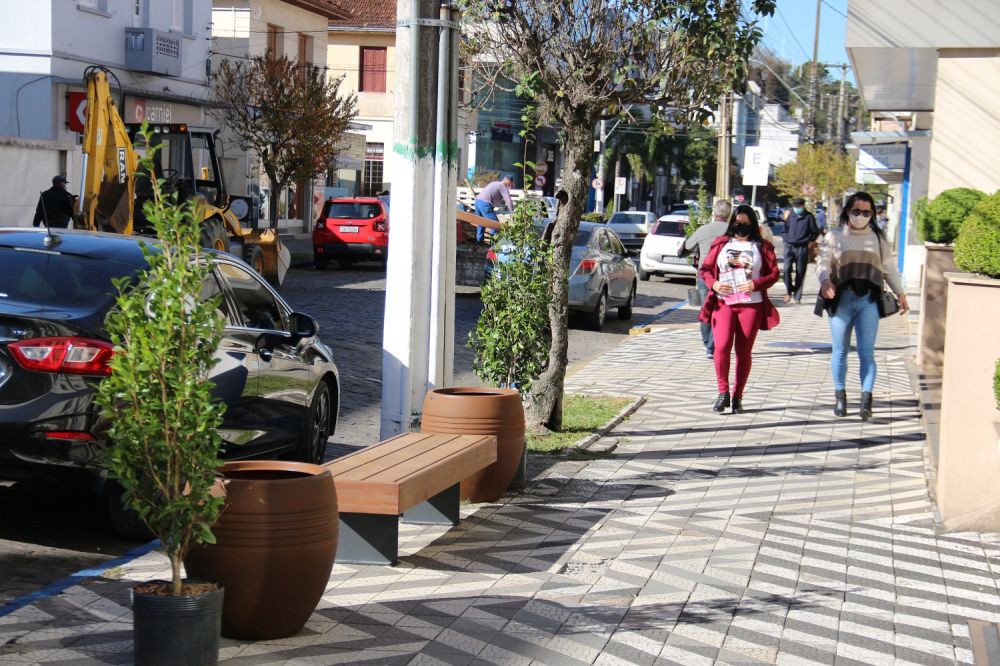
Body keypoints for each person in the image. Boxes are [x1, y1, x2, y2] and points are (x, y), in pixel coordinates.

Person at [817, 191, 909, 421]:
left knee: (867, 352)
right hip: (841, 300)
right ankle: (840, 396)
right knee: (840, 351)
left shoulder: (878, 238)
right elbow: (823, 263)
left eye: (866, 212)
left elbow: (888, 269)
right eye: (856, 211)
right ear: (848, 210)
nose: (860, 216)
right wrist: (825, 280)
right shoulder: (835, 236)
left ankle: (866, 400)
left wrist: (901, 293)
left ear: (873, 215)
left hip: (868, 301)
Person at [698, 205, 781, 414]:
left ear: (752, 224)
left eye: (745, 224)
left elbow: (774, 274)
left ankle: (738, 396)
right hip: (723, 302)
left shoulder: (762, 246)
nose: (740, 227)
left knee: (743, 352)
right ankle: (722, 392)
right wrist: (714, 284)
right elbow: (706, 269)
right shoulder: (721, 244)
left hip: (750, 304)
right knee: (722, 346)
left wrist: (756, 284)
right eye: (736, 223)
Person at [683, 199, 732, 359]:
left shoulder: (703, 229)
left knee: (706, 308)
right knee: (721, 310)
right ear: (729, 214)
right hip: (725, 276)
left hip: (705, 275)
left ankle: (708, 344)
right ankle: (713, 344)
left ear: (714, 213)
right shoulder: (733, 231)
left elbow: (687, 246)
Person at [782, 197, 819, 304]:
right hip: (789, 246)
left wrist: (810, 242)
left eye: (799, 206)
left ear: (803, 206)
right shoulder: (791, 216)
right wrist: (786, 239)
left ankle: (797, 297)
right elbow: (784, 229)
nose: (797, 208)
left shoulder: (809, 217)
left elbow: (815, 232)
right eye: (795, 206)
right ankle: (788, 291)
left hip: (802, 247)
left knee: (800, 271)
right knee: (786, 269)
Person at [474, 175, 515, 243]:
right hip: (485, 204)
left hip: (478, 202)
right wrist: (513, 212)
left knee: (481, 222)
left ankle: (479, 241)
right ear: (508, 181)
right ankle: (493, 244)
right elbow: (508, 201)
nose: (510, 185)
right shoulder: (503, 186)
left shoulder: (494, 183)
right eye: (510, 183)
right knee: (495, 225)